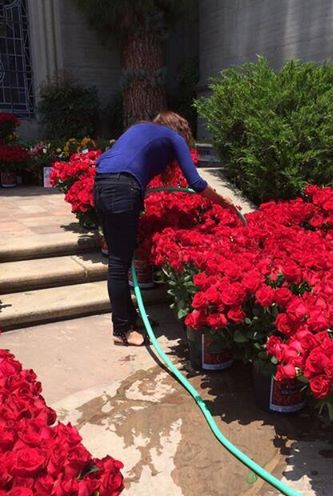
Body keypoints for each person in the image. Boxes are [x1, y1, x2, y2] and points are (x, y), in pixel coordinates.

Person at [94, 111, 235, 347]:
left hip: (100, 186)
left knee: (121, 260)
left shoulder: (139, 128)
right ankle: (122, 330)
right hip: (121, 191)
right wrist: (223, 201)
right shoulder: (173, 137)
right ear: (180, 129)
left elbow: (115, 160)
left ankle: (129, 320)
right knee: (119, 264)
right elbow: (196, 183)